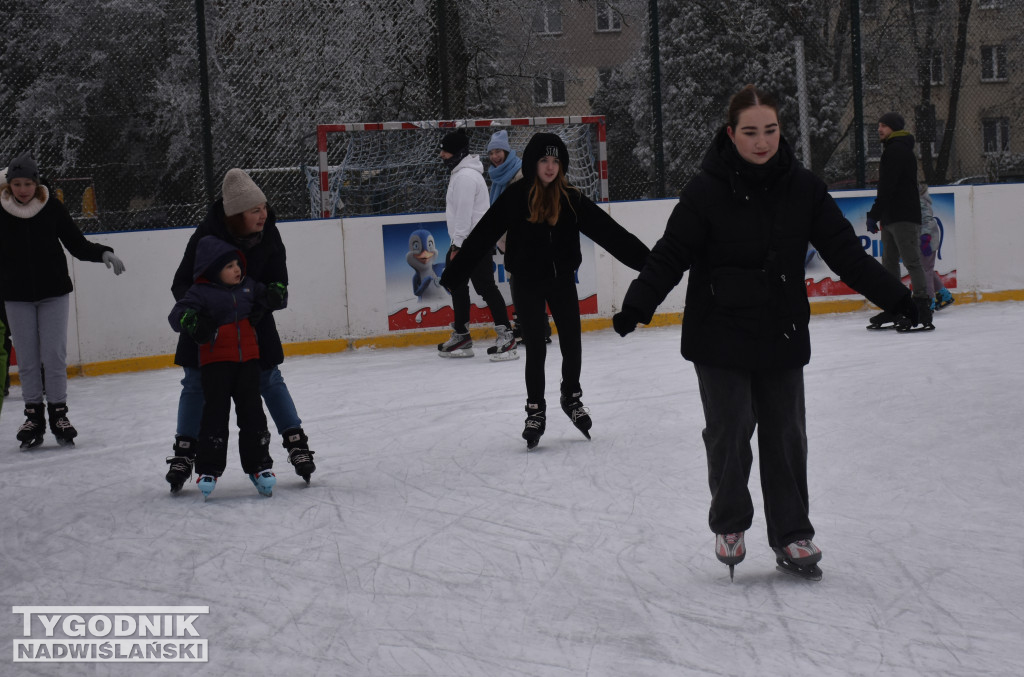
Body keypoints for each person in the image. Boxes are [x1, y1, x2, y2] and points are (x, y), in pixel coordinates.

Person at [611, 85, 920, 580]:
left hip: (779, 327)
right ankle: (730, 523)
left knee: (786, 434)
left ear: (781, 131)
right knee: (730, 429)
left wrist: (900, 299)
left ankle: (793, 534)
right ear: (731, 134)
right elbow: (671, 253)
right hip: (719, 331)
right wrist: (636, 306)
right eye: (750, 132)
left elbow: (846, 254)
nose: (761, 142)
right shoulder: (705, 190)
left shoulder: (803, 189)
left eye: (770, 131)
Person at [440, 132, 650, 449]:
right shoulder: (516, 196)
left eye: (555, 161)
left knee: (572, 341)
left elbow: (611, 234)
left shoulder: (570, 198)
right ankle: (535, 410)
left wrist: (651, 263)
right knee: (536, 348)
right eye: (544, 161)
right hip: (525, 281)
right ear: (533, 163)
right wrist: (454, 274)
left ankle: (571, 396)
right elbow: (483, 234)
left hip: (561, 279)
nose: (550, 167)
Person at [166, 168, 316, 492]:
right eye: (254, 210)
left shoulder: (270, 233)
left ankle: (296, 442)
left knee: (269, 377)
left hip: (252, 322)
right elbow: (181, 283)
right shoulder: (206, 236)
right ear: (235, 215)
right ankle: (184, 451)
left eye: (263, 207)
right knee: (194, 382)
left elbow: (279, 281)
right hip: (208, 330)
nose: (263, 214)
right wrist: (198, 318)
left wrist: (270, 298)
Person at [0, 153, 125, 448]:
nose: (22, 189)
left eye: (27, 183)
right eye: (16, 184)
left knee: (54, 356)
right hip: (15, 296)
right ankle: (33, 416)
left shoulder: (51, 206)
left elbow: (76, 243)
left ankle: (58, 414)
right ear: (9, 185)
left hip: (54, 292)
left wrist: (103, 252)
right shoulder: (1, 211)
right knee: (28, 359)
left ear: (36, 182)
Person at [169, 236, 285, 498]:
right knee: (214, 417)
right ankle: (208, 468)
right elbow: (176, 316)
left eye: (237, 264)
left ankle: (260, 466)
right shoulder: (200, 292)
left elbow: (272, 298)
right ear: (212, 270)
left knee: (253, 415)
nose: (237, 270)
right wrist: (190, 319)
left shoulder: (248, 287)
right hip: (215, 366)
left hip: (248, 364)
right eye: (229, 266)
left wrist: (277, 292)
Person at [436, 129, 518, 361]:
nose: (442, 154)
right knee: (458, 285)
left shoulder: (464, 177)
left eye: (446, 150)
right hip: (467, 240)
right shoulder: (461, 173)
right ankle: (462, 334)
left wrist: (457, 248)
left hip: (472, 242)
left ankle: (507, 337)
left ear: (458, 153)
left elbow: (464, 215)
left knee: (485, 288)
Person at [865, 112, 934, 331]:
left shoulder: (897, 151)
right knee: (889, 264)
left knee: (911, 261)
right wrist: (880, 215)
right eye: (879, 125)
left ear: (894, 128)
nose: (879, 129)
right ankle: (896, 307)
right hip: (892, 216)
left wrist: (874, 214)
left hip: (903, 216)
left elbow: (888, 186)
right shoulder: (893, 149)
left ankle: (922, 308)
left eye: (884, 126)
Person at [918, 183, 954, 311]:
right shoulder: (919, 199)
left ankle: (929, 301)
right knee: (926, 268)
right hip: (925, 237)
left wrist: (925, 237)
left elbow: (927, 219)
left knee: (924, 271)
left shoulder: (920, 200)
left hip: (927, 238)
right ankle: (944, 295)